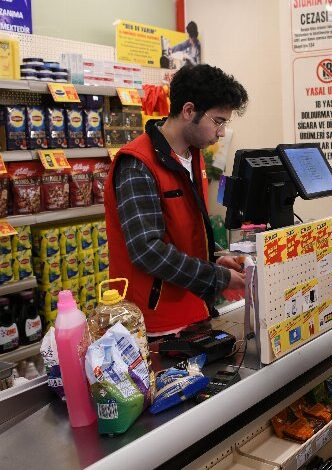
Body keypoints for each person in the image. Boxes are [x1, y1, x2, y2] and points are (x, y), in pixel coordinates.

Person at [104, 64, 249, 336]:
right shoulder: (137, 164)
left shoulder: (193, 158)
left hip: (191, 310)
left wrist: (215, 260)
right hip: (150, 324)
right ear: (188, 111)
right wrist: (217, 278)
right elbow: (147, 250)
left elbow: (182, 233)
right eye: (217, 121)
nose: (220, 132)